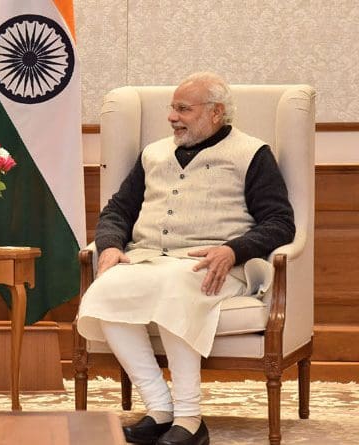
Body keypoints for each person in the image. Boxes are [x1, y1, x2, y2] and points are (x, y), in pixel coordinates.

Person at [77, 72, 295, 445]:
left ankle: (191, 420)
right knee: (102, 293)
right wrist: (111, 244)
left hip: (214, 264)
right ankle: (161, 409)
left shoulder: (252, 154)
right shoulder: (153, 153)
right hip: (148, 258)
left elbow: (280, 222)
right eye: (172, 108)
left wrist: (233, 250)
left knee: (176, 289)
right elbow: (117, 210)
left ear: (216, 113)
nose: (172, 117)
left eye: (183, 109)